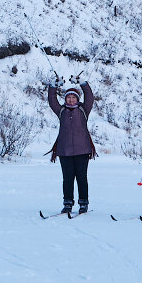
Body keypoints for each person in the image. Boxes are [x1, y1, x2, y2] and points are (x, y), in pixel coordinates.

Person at [46, 79, 96, 214]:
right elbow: (52, 101)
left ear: (77, 99)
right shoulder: (61, 111)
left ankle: (83, 203)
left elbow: (90, 97)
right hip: (64, 150)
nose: (71, 100)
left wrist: (84, 84)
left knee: (81, 177)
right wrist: (53, 87)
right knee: (67, 178)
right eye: (69, 97)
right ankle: (67, 203)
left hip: (82, 150)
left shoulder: (83, 110)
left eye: (74, 97)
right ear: (65, 99)